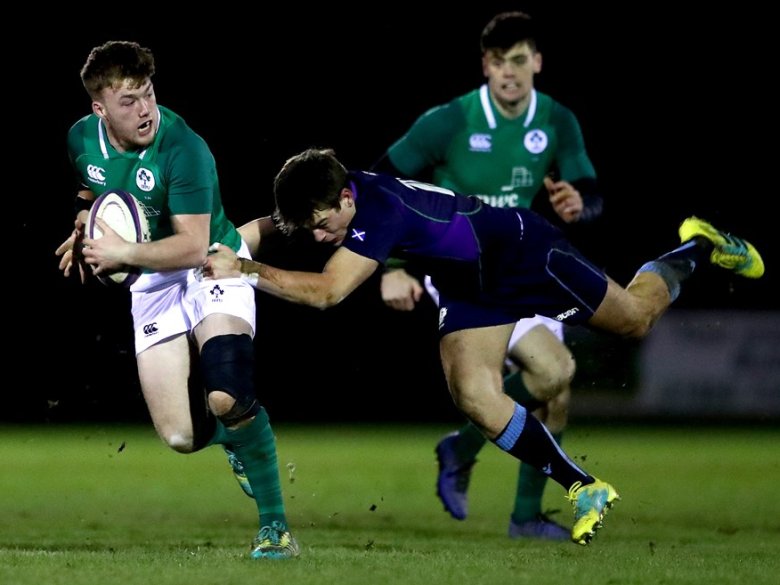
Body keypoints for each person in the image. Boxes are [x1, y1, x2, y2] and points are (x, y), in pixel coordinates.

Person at [202, 147, 764, 546]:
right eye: (313, 230)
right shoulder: (328, 190)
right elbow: (272, 226)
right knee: (473, 393)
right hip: (472, 286)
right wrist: (208, 245)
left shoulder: (378, 209)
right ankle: (584, 487)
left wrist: (244, 269)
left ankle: (697, 245)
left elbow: (328, 293)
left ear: (346, 197)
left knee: (636, 320)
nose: (322, 236)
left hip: (522, 254)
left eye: (326, 226)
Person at [54, 40, 298, 560]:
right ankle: (236, 438)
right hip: (150, 283)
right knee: (180, 437)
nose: (145, 110)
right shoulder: (80, 138)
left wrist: (122, 249)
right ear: (99, 109)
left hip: (213, 261)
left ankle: (275, 528)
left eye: (148, 94)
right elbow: (93, 189)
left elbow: (190, 245)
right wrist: (86, 224)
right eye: (128, 101)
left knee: (227, 393)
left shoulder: (184, 146)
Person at [371, 10, 603, 539]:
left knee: (554, 387)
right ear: (485, 66)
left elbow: (590, 192)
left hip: (523, 262)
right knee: (550, 374)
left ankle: (502, 493)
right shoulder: (448, 121)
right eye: (498, 62)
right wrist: (394, 264)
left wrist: (578, 205)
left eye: (519, 60)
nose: (509, 73)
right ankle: (486, 471)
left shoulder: (557, 120)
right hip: (460, 266)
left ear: (537, 62)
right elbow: (376, 185)